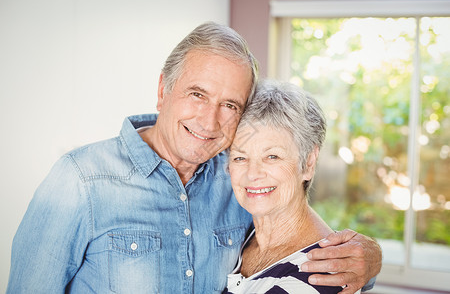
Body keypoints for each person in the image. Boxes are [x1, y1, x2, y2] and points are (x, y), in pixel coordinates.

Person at [7, 22, 381, 293]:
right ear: (162, 90)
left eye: (229, 104)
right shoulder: (79, 180)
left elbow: (300, 241)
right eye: (197, 94)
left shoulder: (238, 178)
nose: (209, 119)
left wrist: (370, 257)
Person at [225, 80, 362, 294]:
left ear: (308, 163)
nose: (253, 174)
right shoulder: (245, 239)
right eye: (240, 157)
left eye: (272, 156)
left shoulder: (322, 274)